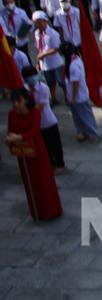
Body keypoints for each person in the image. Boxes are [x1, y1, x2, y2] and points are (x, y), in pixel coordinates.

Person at [6, 88, 62, 220]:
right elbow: (10, 130)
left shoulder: (35, 112)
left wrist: (18, 137)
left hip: (37, 152)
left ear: (26, 100)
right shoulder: (11, 114)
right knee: (30, 181)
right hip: (22, 153)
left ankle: (51, 210)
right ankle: (37, 211)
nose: (16, 104)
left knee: (43, 180)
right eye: (14, 102)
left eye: (19, 101)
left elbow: (34, 130)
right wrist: (10, 139)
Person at [21, 67, 64, 174]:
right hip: (36, 124)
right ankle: (49, 164)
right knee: (44, 146)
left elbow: (41, 106)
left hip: (48, 121)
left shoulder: (43, 88)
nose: (30, 79)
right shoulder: (24, 89)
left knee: (55, 145)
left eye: (32, 76)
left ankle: (59, 164)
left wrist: (26, 111)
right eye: (27, 77)